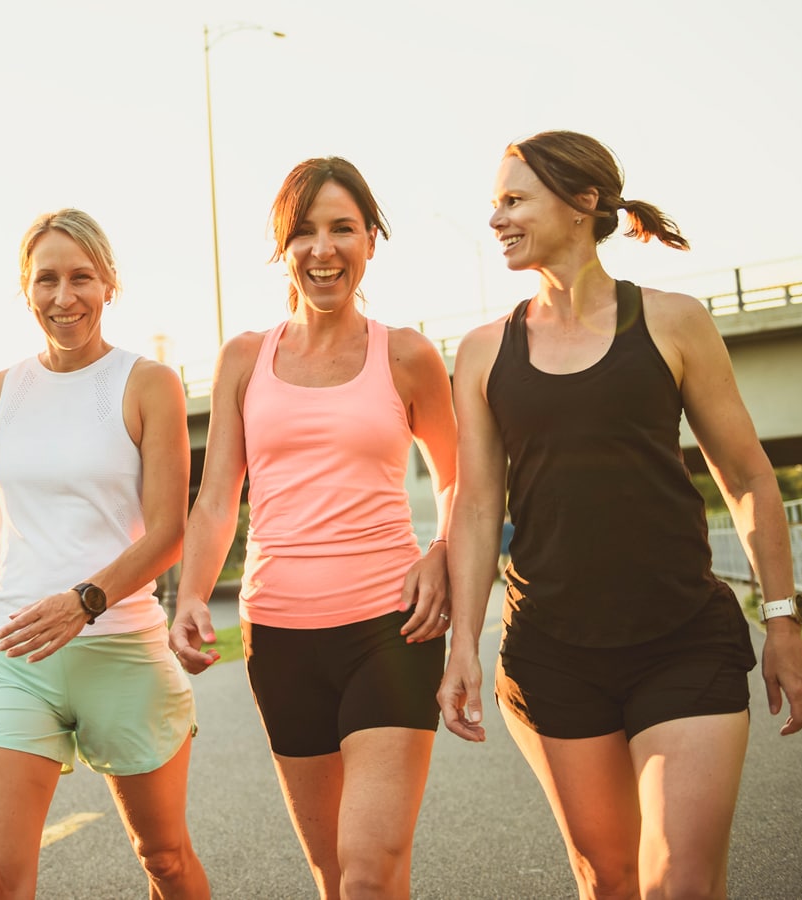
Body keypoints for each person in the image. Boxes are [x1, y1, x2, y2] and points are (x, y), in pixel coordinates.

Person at [438, 130, 802, 898]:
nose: (496, 220)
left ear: (582, 203)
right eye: (495, 203)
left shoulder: (674, 322)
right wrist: (460, 646)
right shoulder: (483, 350)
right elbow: (477, 508)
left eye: (514, 200)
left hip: (682, 638)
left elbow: (746, 476)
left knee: (678, 877)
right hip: (551, 653)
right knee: (608, 878)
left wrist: (782, 620)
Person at [170, 157, 459, 899]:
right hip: (279, 636)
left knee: (367, 872)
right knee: (334, 875)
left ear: (370, 241)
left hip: (390, 632)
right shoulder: (243, 358)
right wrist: (194, 596)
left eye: (342, 229)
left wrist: (443, 549)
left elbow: (462, 477)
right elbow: (215, 499)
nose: (323, 248)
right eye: (304, 232)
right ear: (282, 246)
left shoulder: (406, 353)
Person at [0, 209, 208, 899]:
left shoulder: (146, 383)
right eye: (47, 280)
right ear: (25, 289)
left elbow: (168, 531)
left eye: (81, 278)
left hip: (121, 649)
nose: (63, 296)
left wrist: (83, 602)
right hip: (15, 658)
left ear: (109, 286)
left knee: (163, 858)